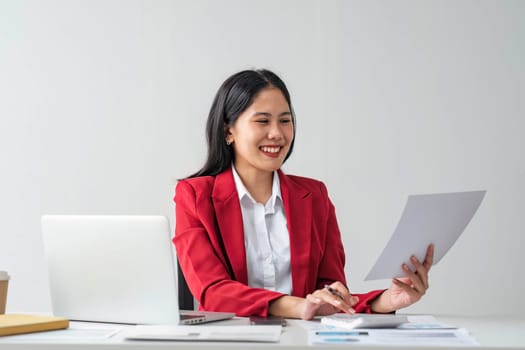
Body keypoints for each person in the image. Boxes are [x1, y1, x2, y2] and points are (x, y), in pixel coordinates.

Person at [173, 69, 434, 320]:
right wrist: (298, 306)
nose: (276, 133)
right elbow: (212, 291)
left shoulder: (315, 196)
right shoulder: (195, 196)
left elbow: (330, 293)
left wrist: (386, 300)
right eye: (263, 121)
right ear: (228, 131)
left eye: (285, 120)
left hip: (303, 340)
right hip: (234, 341)